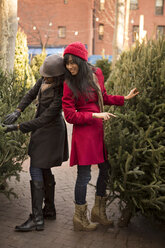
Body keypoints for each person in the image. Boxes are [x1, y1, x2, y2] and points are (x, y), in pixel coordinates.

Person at [62, 41, 139, 231]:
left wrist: (124, 99)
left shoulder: (96, 74)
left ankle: (98, 211)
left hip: (97, 131)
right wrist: (95, 114)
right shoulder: (68, 83)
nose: (70, 66)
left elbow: (102, 97)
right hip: (84, 133)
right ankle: (80, 218)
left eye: (73, 62)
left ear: (82, 60)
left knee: (105, 169)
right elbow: (70, 115)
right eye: (67, 63)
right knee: (84, 175)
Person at [2, 54, 69, 232]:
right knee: (43, 166)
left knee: (36, 166)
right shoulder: (43, 80)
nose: (44, 76)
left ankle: (37, 218)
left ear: (57, 76)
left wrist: (16, 126)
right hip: (42, 129)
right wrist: (18, 110)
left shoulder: (61, 92)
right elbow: (31, 94)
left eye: (48, 75)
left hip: (52, 131)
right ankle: (49, 209)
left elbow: (44, 119)